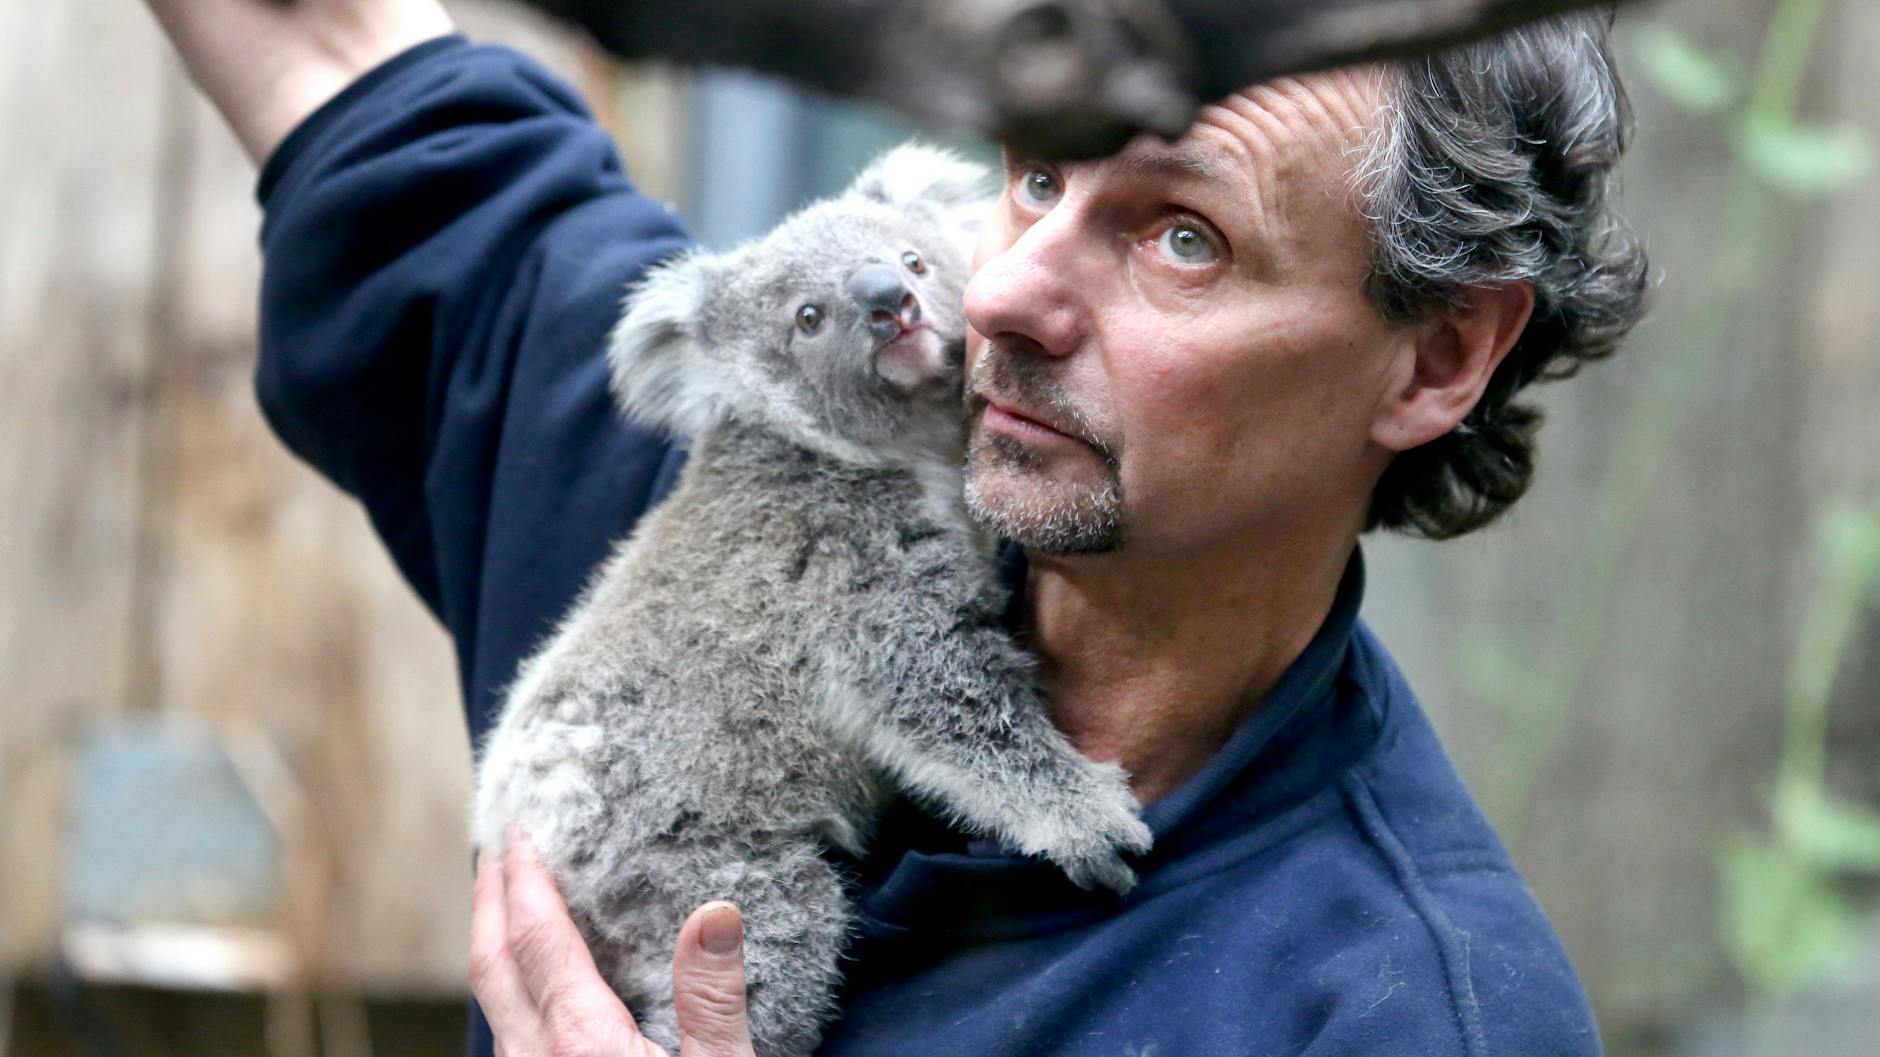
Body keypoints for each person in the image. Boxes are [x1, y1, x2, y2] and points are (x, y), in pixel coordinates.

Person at [142, 0, 1648, 1054]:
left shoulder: (1407, 1009)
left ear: (1439, 355)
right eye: (1039, 172)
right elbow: (326, 40)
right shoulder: (723, 470)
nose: (997, 291)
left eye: (1183, 239)